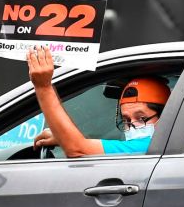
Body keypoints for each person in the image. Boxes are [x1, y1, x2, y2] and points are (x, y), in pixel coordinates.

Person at [27, 45, 171, 157]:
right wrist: (63, 138)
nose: (133, 126)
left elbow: (77, 149)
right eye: (126, 120)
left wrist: (43, 87)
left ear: (165, 118)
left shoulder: (148, 146)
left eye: (142, 118)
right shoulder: (159, 148)